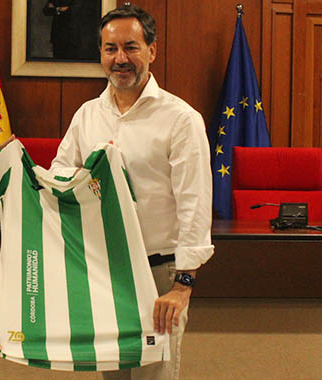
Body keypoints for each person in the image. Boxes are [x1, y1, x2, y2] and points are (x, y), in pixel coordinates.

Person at [50, 4, 214, 379]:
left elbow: (195, 204)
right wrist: (85, 177)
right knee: (113, 375)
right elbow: (60, 172)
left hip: (158, 276)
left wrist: (183, 284)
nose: (120, 58)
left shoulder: (181, 119)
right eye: (110, 49)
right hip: (105, 271)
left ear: (152, 51)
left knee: (154, 376)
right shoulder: (88, 114)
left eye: (131, 47)